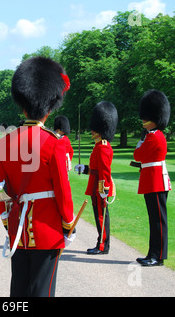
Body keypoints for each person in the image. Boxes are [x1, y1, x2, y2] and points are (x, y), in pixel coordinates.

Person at [0, 57, 75, 297]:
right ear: (50, 107)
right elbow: (62, 190)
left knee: (18, 289)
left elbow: (0, 190)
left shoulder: (6, 142)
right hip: (47, 230)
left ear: (23, 105)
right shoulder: (54, 143)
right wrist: (68, 225)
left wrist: (9, 222)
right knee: (42, 290)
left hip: (17, 228)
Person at [133, 90, 171, 267]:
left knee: (158, 221)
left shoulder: (154, 137)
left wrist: (140, 143)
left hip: (156, 181)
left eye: (145, 118)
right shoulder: (153, 135)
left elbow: (138, 155)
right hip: (151, 180)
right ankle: (152, 253)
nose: (143, 121)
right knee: (154, 220)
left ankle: (158, 256)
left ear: (153, 118)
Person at [75, 101, 118, 255]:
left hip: (100, 188)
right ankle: (101, 243)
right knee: (98, 215)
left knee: (101, 216)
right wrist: (84, 169)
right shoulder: (99, 146)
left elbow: (105, 172)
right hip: (95, 186)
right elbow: (95, 169)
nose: (92, 131)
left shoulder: (103, 147)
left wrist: (104, 190)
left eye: (95, 129)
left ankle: (102, 246)